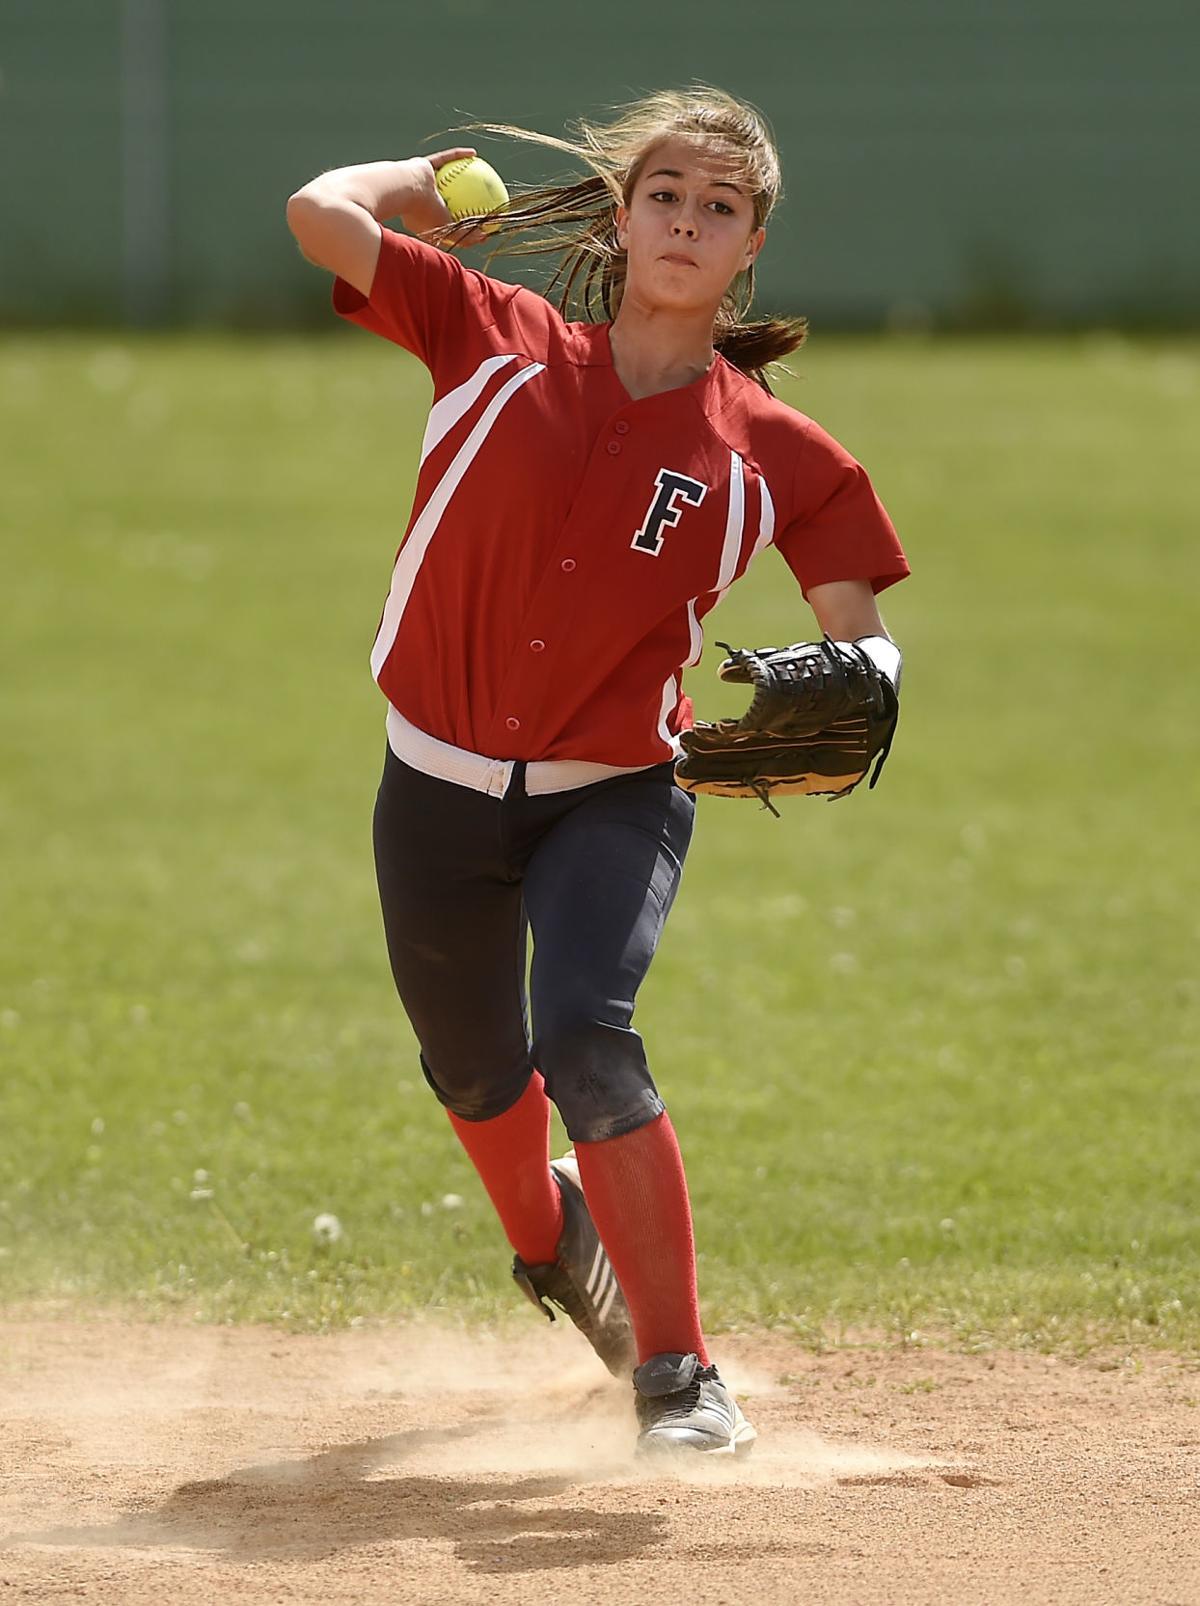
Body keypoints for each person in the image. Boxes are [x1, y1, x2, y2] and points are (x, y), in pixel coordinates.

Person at [285, 86, 909, 1457]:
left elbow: (859, 631)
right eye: (667, 196)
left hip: (615, 790)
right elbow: (318, 219)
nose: (689, 222)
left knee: (585, 1033)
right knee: (471, 1071)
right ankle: (555, 1242)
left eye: (721, 208)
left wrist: (870, 679)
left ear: (752, 249)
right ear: (624, 219)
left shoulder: (773, 452)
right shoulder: (490, 335)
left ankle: (679, 1371)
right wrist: (412, 172)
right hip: (434, 779)